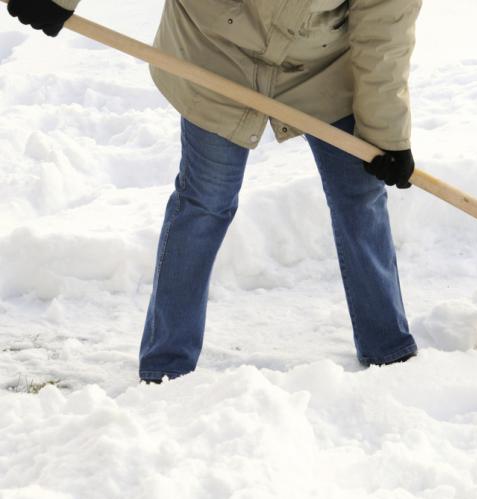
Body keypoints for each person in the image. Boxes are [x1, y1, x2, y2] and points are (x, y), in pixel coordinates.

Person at [8, 0, 422, 382]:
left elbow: (384, 27)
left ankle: (388, 349)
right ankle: (166, 366)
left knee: (361, 195)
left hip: (322, 63)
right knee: (205, 202)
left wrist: (387, 135)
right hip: (214, 49)